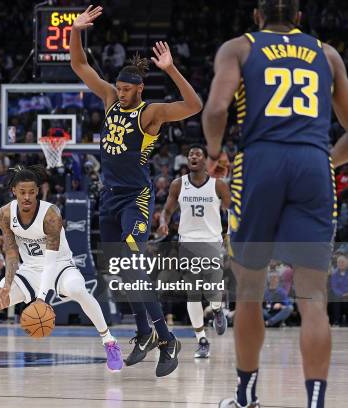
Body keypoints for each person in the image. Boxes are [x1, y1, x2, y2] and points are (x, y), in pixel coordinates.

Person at [202, 1, 348, 406]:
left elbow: (215, 109)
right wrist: (328, 158)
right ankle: (316, 402)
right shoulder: (327, 53)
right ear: (300, 19)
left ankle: (246, 397)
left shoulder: (240, 47)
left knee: (249, 289)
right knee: (313, 296)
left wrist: (214, 153)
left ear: (256, 16)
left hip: (260, 161)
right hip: (313, 164)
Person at [70, 6, 202, 376]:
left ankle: (167, 338)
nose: (123, 93)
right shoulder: (111, 99)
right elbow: (80, 67)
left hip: (135, 198)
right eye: (121, 88)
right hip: (108, 196)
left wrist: (171, 69)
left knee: (134, 264)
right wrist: (76, 31)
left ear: (140, 89)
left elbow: (194, 105)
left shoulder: (151, 113)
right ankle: (144, 332)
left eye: (129, 89)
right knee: (118, 272)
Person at [0, 165, 123, 378]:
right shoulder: (4, 214)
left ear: (38, 191)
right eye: (22, 192)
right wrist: (8, 284)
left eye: (31, 191)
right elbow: (11, 254)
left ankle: (109, 341)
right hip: (29, 269)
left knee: (77, 290)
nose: (27, 197)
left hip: (60, 266)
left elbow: (50, 261)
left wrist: (41, 299)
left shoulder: (51, 214)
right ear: (14, 191)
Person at [158, 144, 231, 358]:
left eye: (198, 154)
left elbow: (234, 209)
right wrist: (163, 221)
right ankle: (201, 339)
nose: (193, 156)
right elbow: (168, 209)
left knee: (213, 292)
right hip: (188, 243)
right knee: (193, 294)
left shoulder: (218, 185)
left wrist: (231, 235)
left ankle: (217, 310)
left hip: (212, 242)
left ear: (205, 160)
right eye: (190, 154)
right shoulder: (178, 185)